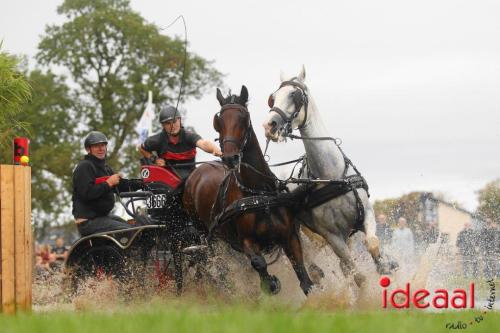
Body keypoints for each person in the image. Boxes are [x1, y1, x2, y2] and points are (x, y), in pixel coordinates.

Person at [72, 131, 142, 237]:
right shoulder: (84, 167)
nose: (101, 148)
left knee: (138, 228)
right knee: (131, 232)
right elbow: (87, 193)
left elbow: (122, 185)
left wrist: (144, 183)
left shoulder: (106, 168)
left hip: (103, 217)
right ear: (88, 149)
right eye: (96, 146)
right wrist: (108, 183)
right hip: (88, 222)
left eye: (103, 145)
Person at [139, 105, 222, 180]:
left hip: (190, 176)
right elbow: (141, 148)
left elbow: (203, 144)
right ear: (162, 126)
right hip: (167, 177)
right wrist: (154, 159)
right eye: (168, 123)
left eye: (174, 121)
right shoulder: (157, 140)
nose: (172, 126)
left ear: (179, 120)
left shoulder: (189, 136)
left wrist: (215, 149)